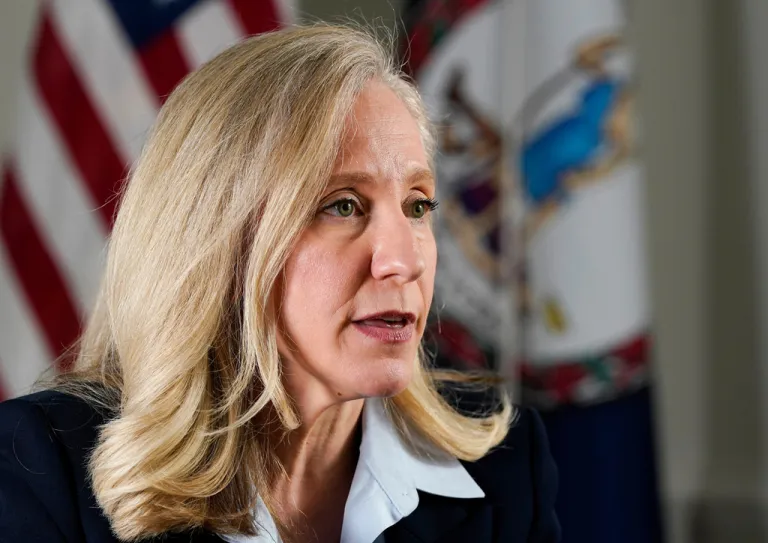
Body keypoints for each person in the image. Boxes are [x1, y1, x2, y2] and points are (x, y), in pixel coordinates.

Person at [0, 24, 560, 543]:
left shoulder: (505, 464)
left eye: (417, 206)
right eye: (343, 205)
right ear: (220, 242)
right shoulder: (40, 471)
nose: (403, 261)